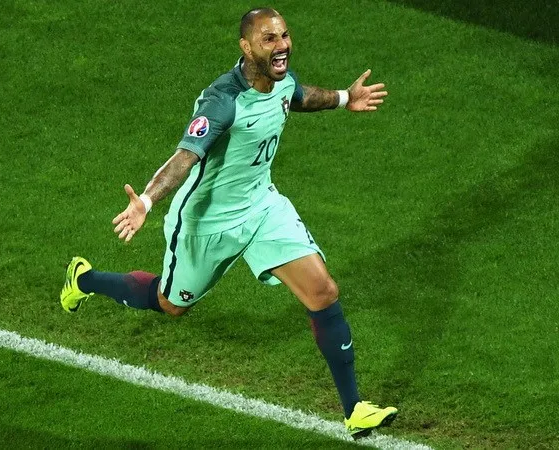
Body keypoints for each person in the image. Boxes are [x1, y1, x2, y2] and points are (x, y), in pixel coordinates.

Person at [60, 7, 397, 438]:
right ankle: (84, 279)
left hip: (262, 208)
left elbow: (297, 96)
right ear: (246, 47)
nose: (282, 46)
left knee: (323, 291)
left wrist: (346, 98)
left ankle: (355, 410)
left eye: (285, 35)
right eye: (269, 39)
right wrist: (146, 200)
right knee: (170, 303)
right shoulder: (222, 101)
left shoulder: (279, 79)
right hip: (206, 222)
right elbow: (185, 156)